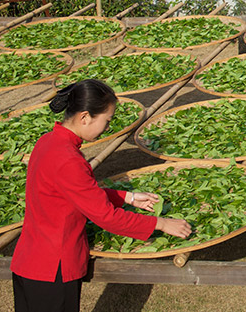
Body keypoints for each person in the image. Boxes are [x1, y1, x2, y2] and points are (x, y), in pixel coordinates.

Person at [10, 79, 191, 312]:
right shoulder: (68, 160)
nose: (107, 127)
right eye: (106, 120)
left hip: (28, 260)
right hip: (53, 268)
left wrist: (129, 197)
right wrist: (162, 223)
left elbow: (77, 193)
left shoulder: (47, 142)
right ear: (85, 117)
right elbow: (107, 217)